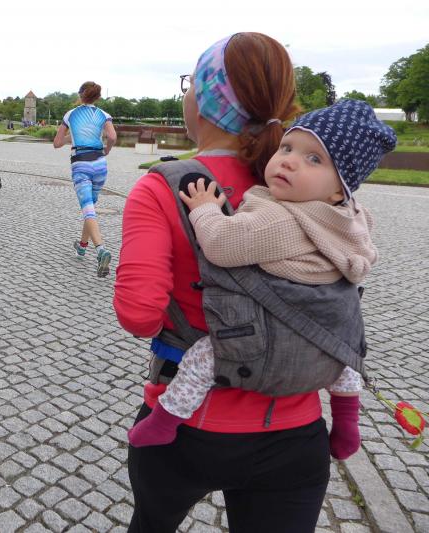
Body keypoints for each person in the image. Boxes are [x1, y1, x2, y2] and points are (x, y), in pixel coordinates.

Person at [114, 33, 345, 532]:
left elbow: (139, 315)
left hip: (186, 424)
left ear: (204, 97)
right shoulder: (313, 186)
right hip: (294, 432)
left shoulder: (163, 187)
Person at [127, 99, 395, 455]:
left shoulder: (280, 219)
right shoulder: (353, 218)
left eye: (314, 159)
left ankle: (165, 420)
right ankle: (346, 423)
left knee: (204, 357)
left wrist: (206, 209)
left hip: (268, 331)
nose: (289, 161)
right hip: (324, 329)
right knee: (342, 357)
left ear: (338, 189)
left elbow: (222, 244)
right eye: (287, 147)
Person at [53, 81, 117, 277]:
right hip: (100, 165)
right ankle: (82, 246)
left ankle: (101, 250)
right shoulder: (104, 115)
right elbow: (112, 136)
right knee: (90, 208)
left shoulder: (70, 115)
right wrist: (106, 150)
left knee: (88, 209)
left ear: (80, 95)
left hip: (81, 164)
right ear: (97, 97)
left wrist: (70, 138)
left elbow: (57, 143)